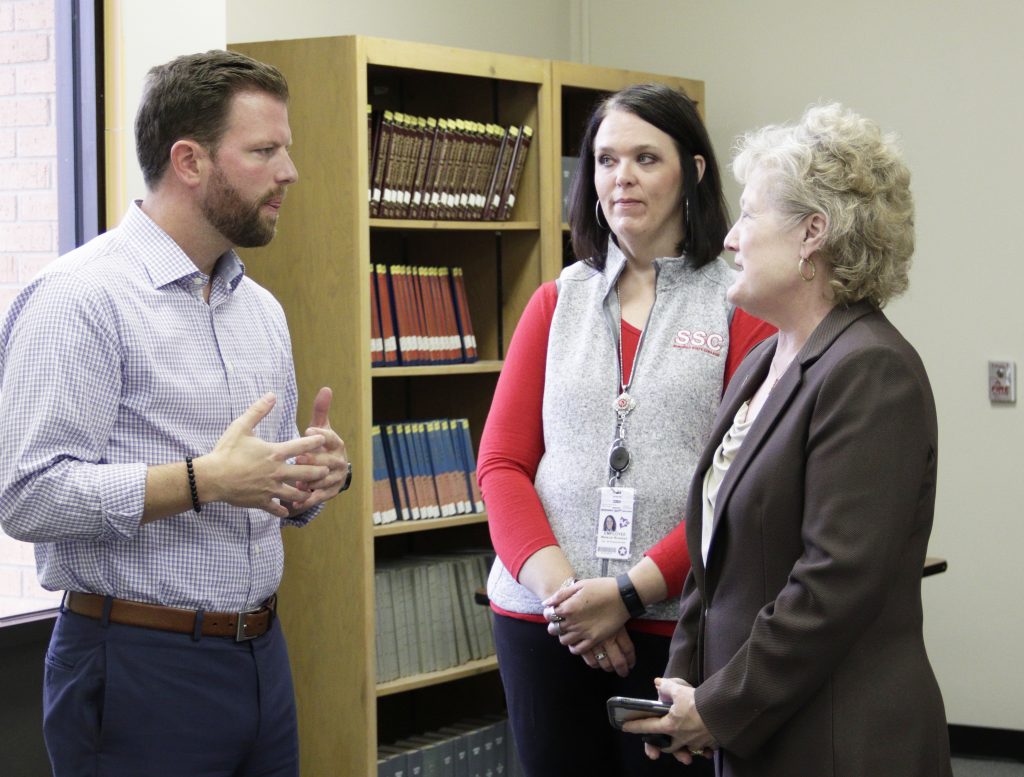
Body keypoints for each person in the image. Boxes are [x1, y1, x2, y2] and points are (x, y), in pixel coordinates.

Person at [0, 50, 351, 777]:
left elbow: (263, 486)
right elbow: (27, 495)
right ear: (189, 160)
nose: (289, 172)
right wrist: (205, 480)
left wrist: (310, 477)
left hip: (261, 655)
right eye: (264, 151)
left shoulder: (260, 309)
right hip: (134, 665)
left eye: (286, 149)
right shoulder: (78, 299)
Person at [626, 103, 952, 777]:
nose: (729, 238)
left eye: (750, 215)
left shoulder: (870, 369)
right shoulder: (760, 363)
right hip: (755, 730)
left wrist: (717, 707)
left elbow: (831, 587)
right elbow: (711, 555)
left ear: (812, 233)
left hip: (837, 741)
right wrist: (683, 689)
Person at [479, 82, 774, 777]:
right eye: (606, 160)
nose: (622, 178)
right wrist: (569, 602)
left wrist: (627, 594)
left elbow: (739, 484)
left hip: (674, 623)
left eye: (646, 158)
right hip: (541, 621)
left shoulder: (741, 305)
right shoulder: (557, 299)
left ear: (692, 172)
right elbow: (501, 465)